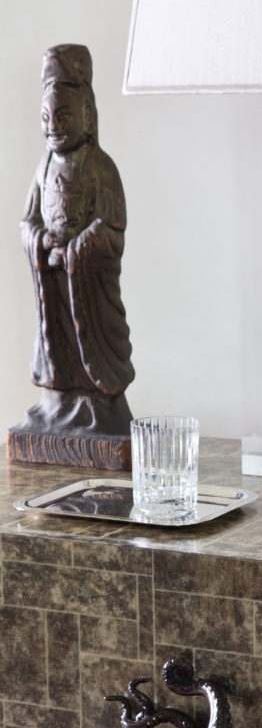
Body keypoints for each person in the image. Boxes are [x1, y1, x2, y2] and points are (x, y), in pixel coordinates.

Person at [18, 43, 134, 439]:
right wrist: (40, 242)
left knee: (92, 337)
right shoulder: (44, 166)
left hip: (85, 281)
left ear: (87, 116)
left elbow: (112, 226)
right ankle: (57, 401)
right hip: (55, 282)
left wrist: (78, 248)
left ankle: (98, 407)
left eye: (63, 115)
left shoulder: (100, 167)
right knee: (56, 340)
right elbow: (27, 221)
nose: (52, 126)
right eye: (46, 116)